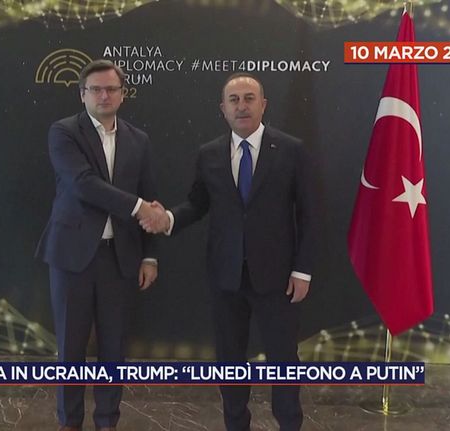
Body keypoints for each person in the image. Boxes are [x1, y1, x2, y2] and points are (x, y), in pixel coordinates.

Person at [141, 72, 315, 431]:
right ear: (223, 108)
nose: (242, 106)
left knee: (284, 359)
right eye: (234, 100)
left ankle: (289, 424)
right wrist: (167, 219)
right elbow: (197, 203)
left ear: (263, 104)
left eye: (249, 98)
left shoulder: (291, 149)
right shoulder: (209, 154)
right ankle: (236, 424)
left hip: (278, 277)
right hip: (226, 276)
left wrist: (302, 270)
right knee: (230, 359)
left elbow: (309, 214)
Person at [36, 59, 167, 431]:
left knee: (114, 347)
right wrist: (140, 207)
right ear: (83, 94)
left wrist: (150, 256)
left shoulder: (139, 140)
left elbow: (149, 194)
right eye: (96, 89)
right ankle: (70, 421)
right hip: (72, 257)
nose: (104, 95)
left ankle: (107, 421)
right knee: (71, 347)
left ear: (123, 94)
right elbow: (83, 184)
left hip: (120, 258)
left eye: (111, 89)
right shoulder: (63, 132)